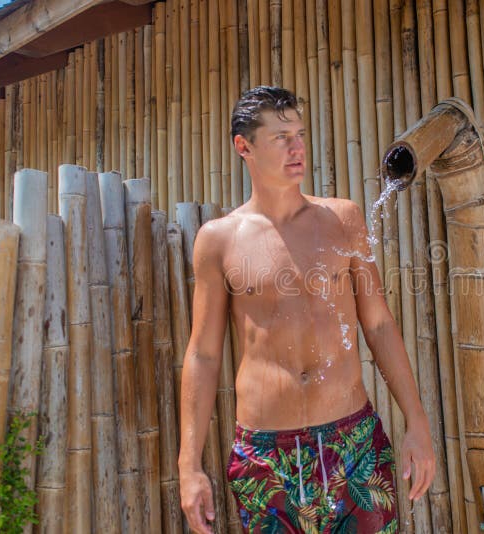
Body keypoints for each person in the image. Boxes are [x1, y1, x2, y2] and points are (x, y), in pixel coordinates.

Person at [178, 86, 435, 533]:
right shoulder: (219, 240)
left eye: (299, 133)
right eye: (280, 137)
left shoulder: (342, 220)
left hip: (353, 444)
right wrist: (189, 464)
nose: (297, 147)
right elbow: (202, 354)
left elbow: (378, 325)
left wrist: (416, 421)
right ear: (244, 146)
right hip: (265, 457)